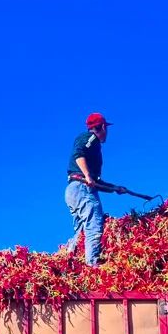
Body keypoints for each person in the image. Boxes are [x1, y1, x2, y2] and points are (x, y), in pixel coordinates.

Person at [65, 113, 126, 265]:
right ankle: (92, 263)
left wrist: (115, 188)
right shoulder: (90, 138)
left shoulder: (94, 148)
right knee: (94, 223)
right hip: (82, 187)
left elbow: (97, 182)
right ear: (103, 127)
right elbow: (78, 154)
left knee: (81, 229)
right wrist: (87, 175)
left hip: (72, 189)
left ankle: (70, 259)